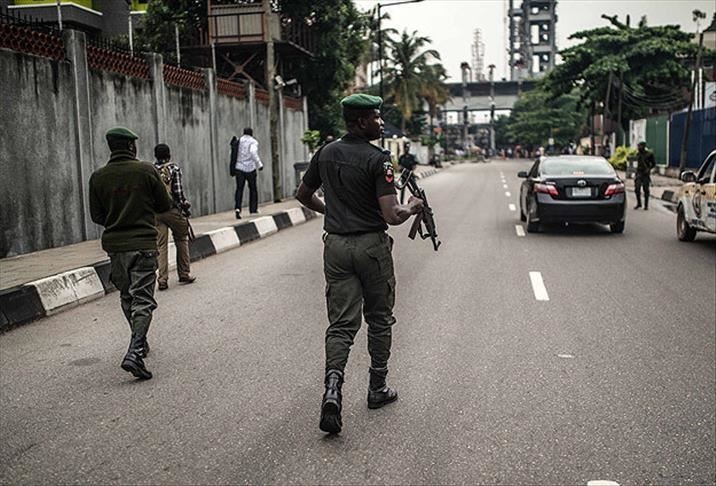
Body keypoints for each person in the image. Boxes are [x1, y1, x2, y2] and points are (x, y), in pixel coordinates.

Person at [295, 93, 424, 435]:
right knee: (379, 318)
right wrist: (412, 206)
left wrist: (333, 213)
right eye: (376, 117)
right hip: (370, 247)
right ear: (361, 121)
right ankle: (377, 388)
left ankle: (332, 389)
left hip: (336, 246)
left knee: (340, 325)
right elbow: (392, 215)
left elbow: (303, 195)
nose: (381, 123)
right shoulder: (378, 159)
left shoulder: (325, 153)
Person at [89, 127, 173, 380]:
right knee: (143, 299)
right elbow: (164, 205)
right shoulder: (146, 170)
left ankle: (140, 340)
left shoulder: (98, 177)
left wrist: (118, 218)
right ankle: (135, 351)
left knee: (127, 295)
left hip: (116, 247)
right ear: (130, 146)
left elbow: (97, 216)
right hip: (143, 244)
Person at [154, 143, 196, 291]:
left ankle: (162, 279)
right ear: (169, 155)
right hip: (172, 210)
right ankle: (184, 273)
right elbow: (178, 192)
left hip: (156, 213)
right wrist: (184, 205)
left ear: (156, 156)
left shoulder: (151, 170)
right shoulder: (174, 169)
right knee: (181, 239)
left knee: (161, 245)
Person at [230, 127, 263, 219]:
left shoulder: (239, 141)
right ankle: (253, 208)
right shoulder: (253, 142)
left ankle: (238, 208)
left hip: (239, 168)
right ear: (251, 133)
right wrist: (259, 164)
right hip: (250, 168)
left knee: (239, 189)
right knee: (253, 188)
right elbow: (253, 152)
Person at [634, 141, 656, 210]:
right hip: (639, 173)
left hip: (645, 174)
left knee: (646, 189)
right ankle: (639, 203)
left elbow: (653, 164)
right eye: (638, 146)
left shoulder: (649, 154)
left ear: (643, 146)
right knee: (637, 188)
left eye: (640, 146)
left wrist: (649, 169)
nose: (638, 148)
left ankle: (646, 205)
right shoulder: (638, 154)